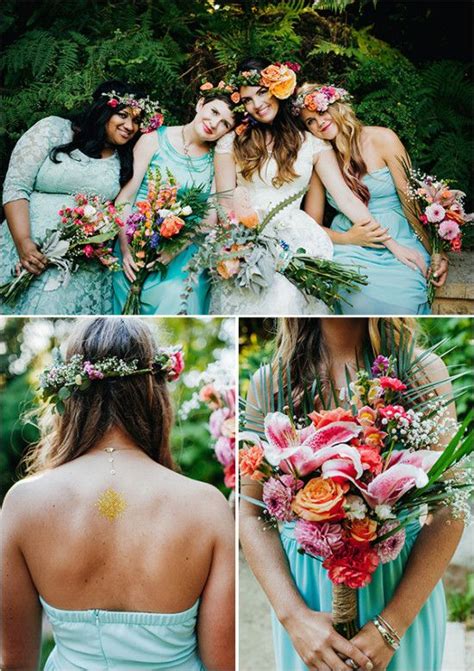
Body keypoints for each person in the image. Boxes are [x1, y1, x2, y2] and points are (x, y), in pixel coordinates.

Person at [1, 318, 235, 671]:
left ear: (69, 395)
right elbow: (225, 664)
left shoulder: (23, 503)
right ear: (154, 392)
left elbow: (14, 663)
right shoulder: (207, 506)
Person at [240, 317, 463, 671]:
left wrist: (393, 626)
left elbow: (450, 509)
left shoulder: (423, 372)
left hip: (399, 594)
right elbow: (250, 513)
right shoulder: (270, 383)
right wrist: (294, 618)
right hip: (308, 601)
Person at [212, 58, 392, 315]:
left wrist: (393, 244)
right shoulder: (231, 142)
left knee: (287, 298)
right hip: (247, 240)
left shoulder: (312, 143)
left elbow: (345, 197)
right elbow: (224, 204)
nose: (257, 105)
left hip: (297, 239)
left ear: (278, 89)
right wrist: (240, 245)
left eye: (262, 93)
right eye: (248, 100)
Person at [0, 80, 151, 315]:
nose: (130, 126)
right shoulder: (53, 129)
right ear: (104, 110)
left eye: (137, 120)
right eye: (123, 115)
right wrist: (25, 243)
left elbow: (119, 210)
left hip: (77, 267)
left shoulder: (126, 160)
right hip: (21, 248)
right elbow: (16, 186)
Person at [297, 83, 449, 314]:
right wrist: (347, 238)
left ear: (336, 106)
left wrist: (436, 251)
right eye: (310, 122)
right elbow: (311, 226)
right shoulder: (319, 159)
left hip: (397, 232)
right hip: (350, 241)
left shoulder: (383, 139)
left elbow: (411, 202)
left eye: (321, 112)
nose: (319, 123)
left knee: (405, 291)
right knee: (350, 293)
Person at [113, 87, 241, 315]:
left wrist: (176, 248)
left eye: (225, 124)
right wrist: (125, 249)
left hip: (184, 247)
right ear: (200, 104)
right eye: (213, 112)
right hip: (133, 238)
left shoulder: (217, 159)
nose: (214, 123)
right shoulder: (153, 139)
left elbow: (210, 216)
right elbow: (125, 198)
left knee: (178, 293)